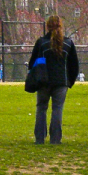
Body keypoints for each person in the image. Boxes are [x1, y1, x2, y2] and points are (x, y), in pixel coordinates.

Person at [28, 15, 80, 144]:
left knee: (41, 108)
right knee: (57, 109)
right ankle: (55, 138)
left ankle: (39, 138)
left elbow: (32, 63)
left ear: (47, 26)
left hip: (43, 81)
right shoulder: (68, 43)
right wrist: (70, 81)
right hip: (61, 81)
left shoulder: (41, 43)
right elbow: (74, 65)